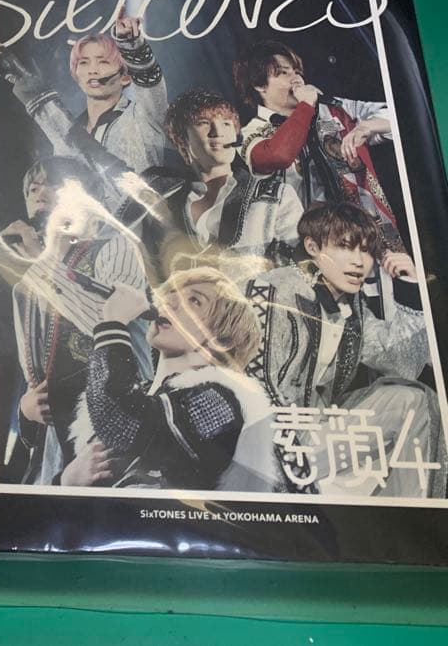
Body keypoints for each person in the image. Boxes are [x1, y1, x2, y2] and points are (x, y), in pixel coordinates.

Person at [245, 202, 441, 497]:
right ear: (312, 247)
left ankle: (405, 512)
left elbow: (401, 364)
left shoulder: (350, 304)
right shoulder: (271, 291)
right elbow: (258, 389)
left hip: (319, 432)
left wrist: (411, 288)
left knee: (414, 400)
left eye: (367, 251)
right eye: (346, 247)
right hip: (271, 447)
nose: (360, 262)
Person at [60, 268, 278, 493]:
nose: (169, 302)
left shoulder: (222, 401)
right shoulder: (142, 397)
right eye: (171, 294)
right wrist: (66, 480)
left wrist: (114, 324)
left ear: (222, 340)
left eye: (194, 300)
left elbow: (122, 423)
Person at [5, 157, 152, 485]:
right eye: (33, 189)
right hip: (54, 445)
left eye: (53, 184)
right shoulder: (25, 285)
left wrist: (47, 260)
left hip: (113, 427)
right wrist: (26, 410)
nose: (40, 193)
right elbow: (33, 371)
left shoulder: (117, 247)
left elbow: (107, 323)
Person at [233, 39, 402, 250]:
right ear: (259, 84)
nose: (297, 79)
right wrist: (305, 106)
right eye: (284, 73)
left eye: (297, 71)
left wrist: (365, 127)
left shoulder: (336, 110)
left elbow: (400, 116)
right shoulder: (250, 132)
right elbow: (279, 156)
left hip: (366, 234)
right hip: (304, 246)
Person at [143, 88, 303, 279]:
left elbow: (301, 270)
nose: (218, 132)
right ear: (181, 139)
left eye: (226, 123)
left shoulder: (277, 196)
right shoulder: (165, 202)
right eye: (204, 123)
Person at [5, 13, 179, 177]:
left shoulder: (143, 117)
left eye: (103, 62)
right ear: (75, 74)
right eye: (84, 63)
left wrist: (131, 45)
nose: (92, 70)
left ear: (125, 76)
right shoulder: (68, 130)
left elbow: (150, 84)